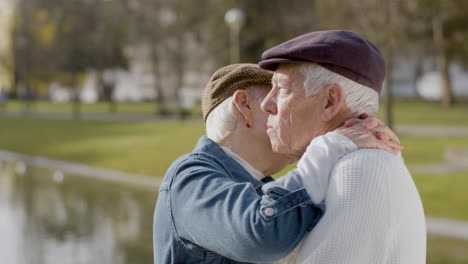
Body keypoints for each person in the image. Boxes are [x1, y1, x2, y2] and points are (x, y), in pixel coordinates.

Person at [153, 63, 401, 263]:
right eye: (278, 98)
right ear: (245, 106)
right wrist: (330, 147)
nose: (284, 111)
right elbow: (262, 236)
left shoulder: (271, 191)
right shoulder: (189, 178)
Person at [259, 30, 426, 263]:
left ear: (329, 102)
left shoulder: (361, 168)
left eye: (283, 89)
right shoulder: (351, 165)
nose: (266, 104)